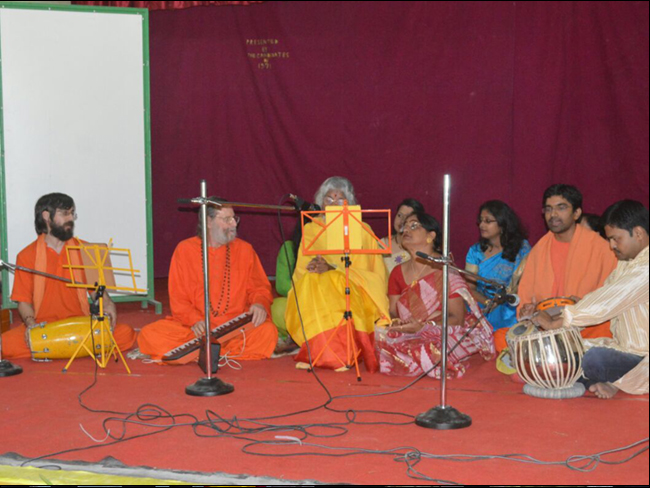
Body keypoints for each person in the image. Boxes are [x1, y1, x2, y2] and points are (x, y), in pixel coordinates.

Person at [535, 200, 648, 399]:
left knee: (595, 359)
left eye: (615, 239)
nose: (612, 246)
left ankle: (604, 380)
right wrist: (573, 309)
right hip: (623, 350)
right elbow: (605, 294)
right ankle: (605, 381)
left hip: (643, 357)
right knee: (564, 347)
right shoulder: (627, 263)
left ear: (637, 233)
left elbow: (612, 299)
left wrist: (561, 320)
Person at [137, 203, 277, 362]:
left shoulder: (245, 249)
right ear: (208, 222)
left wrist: (259, 303)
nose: (233, 224)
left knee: (268, 332)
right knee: (149, 335)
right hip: (197, 328)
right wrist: (195, 320)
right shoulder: (184, 250)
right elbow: (178, 298)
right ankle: (218, 352)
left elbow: (259, 287)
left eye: (234, 218)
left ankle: (203, 352)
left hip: (235, 328)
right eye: (227, 219)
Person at [2, 193, 136, 358]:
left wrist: (108, 304)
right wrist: (31, 325)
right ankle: (75, 349)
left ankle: (55, 350)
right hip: (45, 328)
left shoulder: (85, 250)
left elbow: (98, 293)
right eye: (65, 213)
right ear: (46, 216)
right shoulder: (26, 255)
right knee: (6, 344)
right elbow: (23, 303)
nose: (71, 218)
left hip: (80, 325)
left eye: (72, 213)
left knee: (126, 333)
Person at [284, 176, 390, 372]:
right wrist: (316, 266)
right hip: (319, 291)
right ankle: (318, 351)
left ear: (349, 203)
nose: (333, 204)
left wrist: (334, 269)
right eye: (328, 199)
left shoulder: (362, 230)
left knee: (333, 282)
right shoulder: (311, 229)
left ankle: (342, 354)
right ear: (320, 203)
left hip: (356, 291)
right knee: (311, 283)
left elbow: (371, 273)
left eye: (339, 199)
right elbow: (302, 268)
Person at [376, 211, 495, 379]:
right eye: (405, 227)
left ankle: (423, 358)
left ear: (430, 236)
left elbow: (456, 318)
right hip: (409, 333)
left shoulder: (445, 269)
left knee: (431, 348)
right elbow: (393, 312)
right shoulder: (397, 272)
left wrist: (426, 327)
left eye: (414, 225)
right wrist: (401, 325)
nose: (406, 230)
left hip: (443, 332)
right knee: (382, 341)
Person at [516, 184, 617, 348]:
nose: (553, 214)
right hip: (545, 325)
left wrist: (582, 308)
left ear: (576, 213)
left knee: (603, 329)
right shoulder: (539, 250)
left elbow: (611, 295)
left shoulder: (601, 247)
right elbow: (526, 297)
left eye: (561, 208)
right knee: (503, 337)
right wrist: (528, 310)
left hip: (584, 325)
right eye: (548, 209)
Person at [465, 200, 531, 350]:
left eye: (488, 221)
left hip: (509, 302)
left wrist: (501, 302)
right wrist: (488, 303)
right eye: (480, 221)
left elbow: (525, 284)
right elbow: (469, 288)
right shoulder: (475, 252)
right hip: (481, 303)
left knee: (514, 313)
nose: (482, 225)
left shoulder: (522, 249)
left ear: (502, 224)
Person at [380, 198, 425, 274]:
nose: (402, 220)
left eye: (407, 217)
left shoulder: (421, 248)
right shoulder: (381, 244)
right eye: (399, 215)